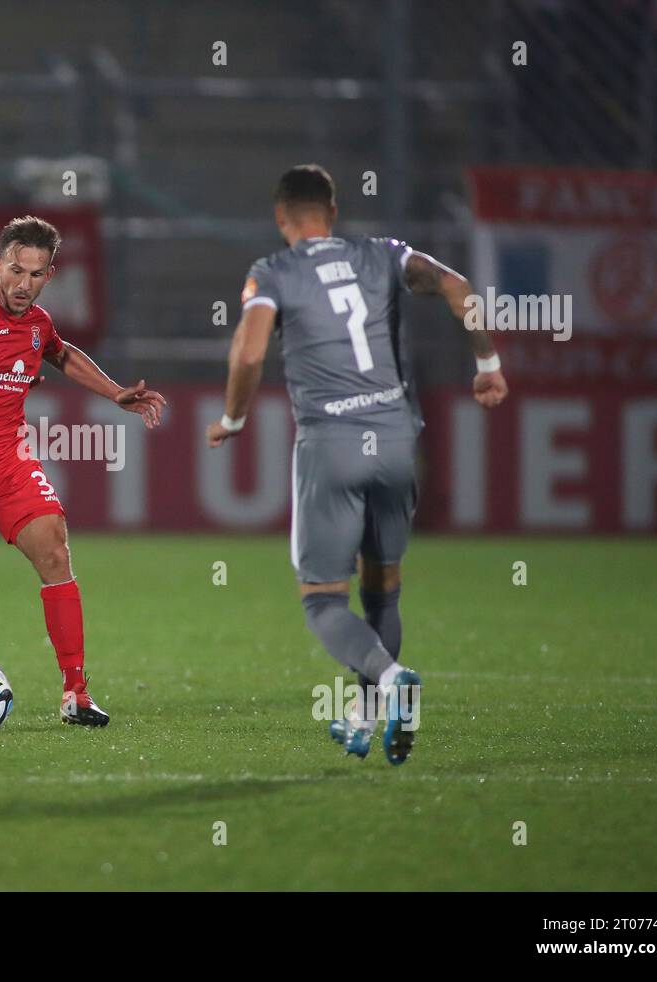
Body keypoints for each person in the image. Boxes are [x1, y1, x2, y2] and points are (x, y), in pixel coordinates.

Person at [207, 164, 508, 764]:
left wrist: (234, 419)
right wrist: (488, 364)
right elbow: (458, 287)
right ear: (334, 212)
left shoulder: (273, 271)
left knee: (322, 599)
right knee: (384, 593)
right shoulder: (383, 255)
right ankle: (365, 719)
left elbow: (249, 350)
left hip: (331, 442)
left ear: (280, 217)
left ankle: (391, 681)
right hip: (398, 441)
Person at [0, 215, 166, 726]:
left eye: (37, 275)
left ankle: (76, 693)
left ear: (49, 275)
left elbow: (60, 355)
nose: (23, 285)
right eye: (16, 271)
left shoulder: (38, 323)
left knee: (54, 547)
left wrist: (115, 393)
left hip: (7, 460)